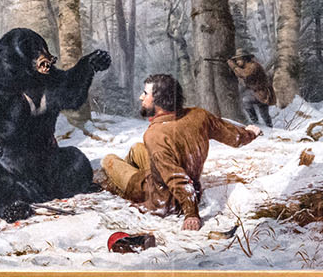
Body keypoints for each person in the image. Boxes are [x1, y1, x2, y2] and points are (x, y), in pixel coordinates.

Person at [100, 74, 260, 232]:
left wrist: (191, 214)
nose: (141, 97)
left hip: (163, 198)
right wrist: (250, 133)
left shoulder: (155, 135)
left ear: (159, 100)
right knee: (136, 148)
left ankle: (127, 187)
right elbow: (235, 138)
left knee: (108, 159)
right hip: (178, 181)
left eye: (146, 93)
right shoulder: (199, 115)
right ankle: (129, 180)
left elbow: (177, 178)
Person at [226, 50, 276, 128]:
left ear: (245, 59)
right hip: (257, 93)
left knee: (261, 112)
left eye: (239, 59)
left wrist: (233, 66)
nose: (237, 62)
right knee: (259, 110)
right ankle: (257, 123)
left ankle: (260, 124)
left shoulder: (253, 66)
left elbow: (244, 74)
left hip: (263, 93)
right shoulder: (247, 67)